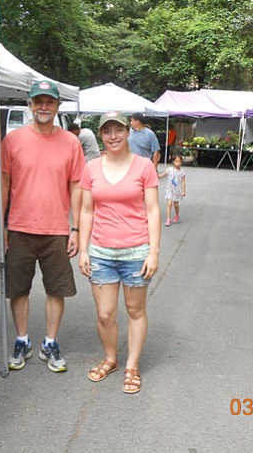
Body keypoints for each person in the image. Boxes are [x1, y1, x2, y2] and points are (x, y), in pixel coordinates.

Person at [1, 80, 85, 373]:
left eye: (49, 102)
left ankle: (50, 343)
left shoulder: (71, 143)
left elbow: (77, 186)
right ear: (30, 105)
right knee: (18, 289)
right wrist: (1, 225)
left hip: (57, 230)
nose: (44, 107)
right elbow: (5, 183)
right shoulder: (13, 140)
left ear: (58, 106)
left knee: (56, 290)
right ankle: (22, 340)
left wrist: (76, 229)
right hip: (20, 227)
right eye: (38, 102)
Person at [78, 111, 161, 394]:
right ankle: (111, 358)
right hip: (101, 253)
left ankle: (132, 366)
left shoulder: (143, 167)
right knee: (104, 314)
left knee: (135, 310)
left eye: (118, 130)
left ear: (128, 132)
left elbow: (152, 210)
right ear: (101, 135)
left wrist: (154, 252)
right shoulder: (91, 168)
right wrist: (84, 251)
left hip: (136, 252)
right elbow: (86, 210)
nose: (113, 136)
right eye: (107, 131)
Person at [159, 154, 186, 226]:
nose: (178, 163)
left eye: (179, 161)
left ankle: (177, 215)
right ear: (173, 162)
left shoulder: (182, 171)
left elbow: (183, 181)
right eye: (176, 161)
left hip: (177, 190)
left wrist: (183, 191)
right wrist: (155, 175)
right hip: (170, 189)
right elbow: (162, 175)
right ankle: (168, 219)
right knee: (169, 203)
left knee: (176, 204)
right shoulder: (169, 170)